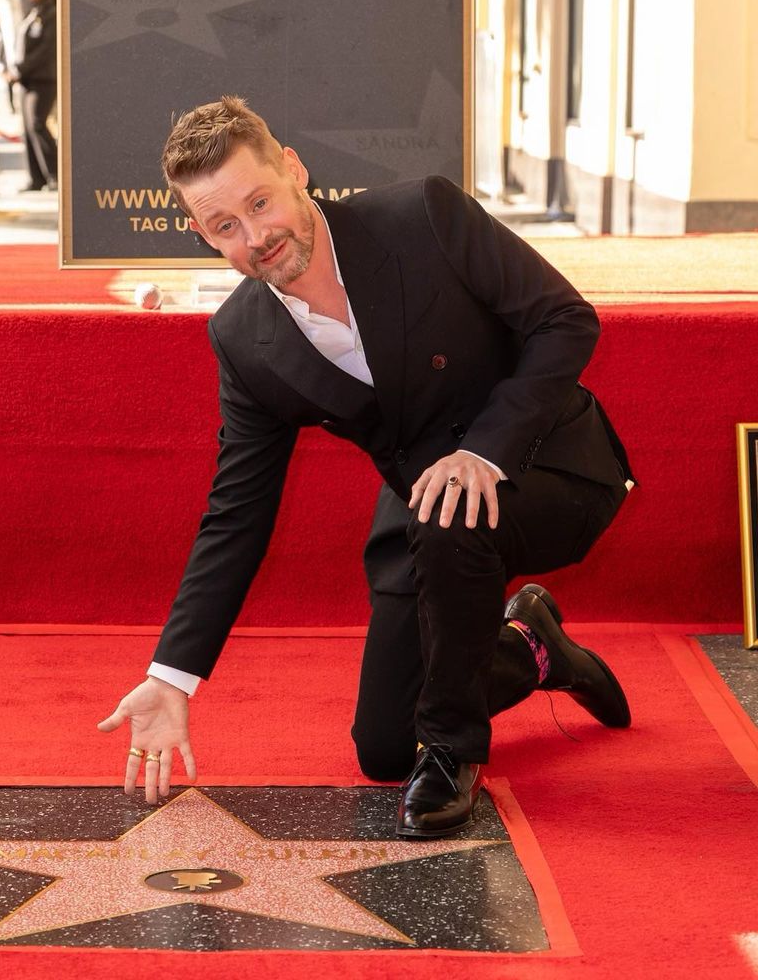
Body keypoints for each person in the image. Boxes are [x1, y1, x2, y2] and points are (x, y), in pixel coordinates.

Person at [98, 97, 633, 839]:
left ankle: (454, 752)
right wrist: (172, 674)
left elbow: (564, 320)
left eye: (260, 202)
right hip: (424, 515)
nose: (257, 236)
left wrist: (483, 450)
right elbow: (238, 512)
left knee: (450, 525)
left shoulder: (422, 217)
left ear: (294, 170)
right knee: (383, 748)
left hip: (552, 466)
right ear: (202, 235)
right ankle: (533, 649)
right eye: (226, 226)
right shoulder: (244, 340)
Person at [12, 0, 58, 191]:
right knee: (28, 128)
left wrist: (20, 69)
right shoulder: (34, 13)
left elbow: (45, 50)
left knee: (38, 123)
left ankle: (56, 174)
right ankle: (36, 178)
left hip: (43, 79)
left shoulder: (53, 15)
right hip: (26, 80)